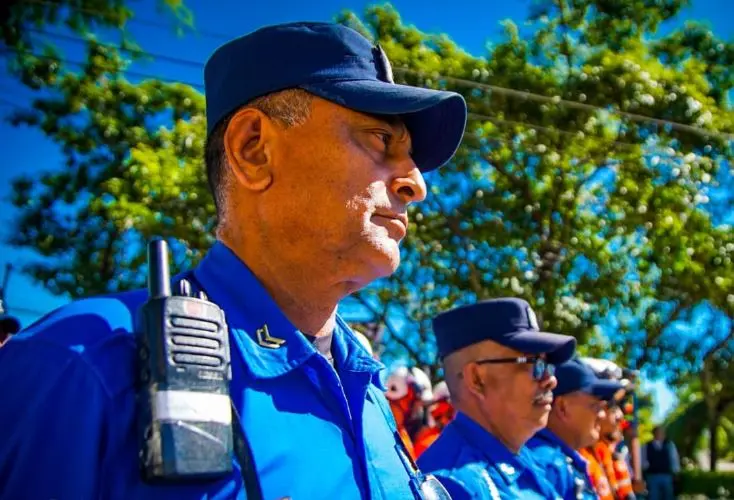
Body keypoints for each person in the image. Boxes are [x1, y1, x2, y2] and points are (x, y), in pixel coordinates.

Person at [0, 21, 467, 499]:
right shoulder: (83, 364)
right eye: (379, 139)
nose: (417, 185)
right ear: (253, 150)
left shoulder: (368, 389)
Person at [418, 298, 577, 499]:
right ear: (477, 379)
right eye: (534, 363)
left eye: (547, 365)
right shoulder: (451, 485)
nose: (550, 380)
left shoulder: (521, 459)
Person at [527, 357, 624, 500]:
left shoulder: (557, 460)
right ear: (562, 408)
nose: (602, 415)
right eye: (595, 406)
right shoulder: (547, 465)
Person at [642, 426, 680, 500]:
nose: (660, 434)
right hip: (652, 476)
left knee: (668, 496)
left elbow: (674, 458)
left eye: (662, 432)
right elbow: (643, 460)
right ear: (653, 433)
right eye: (658, 432)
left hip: (666, 475)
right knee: (653, 496)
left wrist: (676, 472)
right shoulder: (647, 445)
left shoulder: (669, 444)